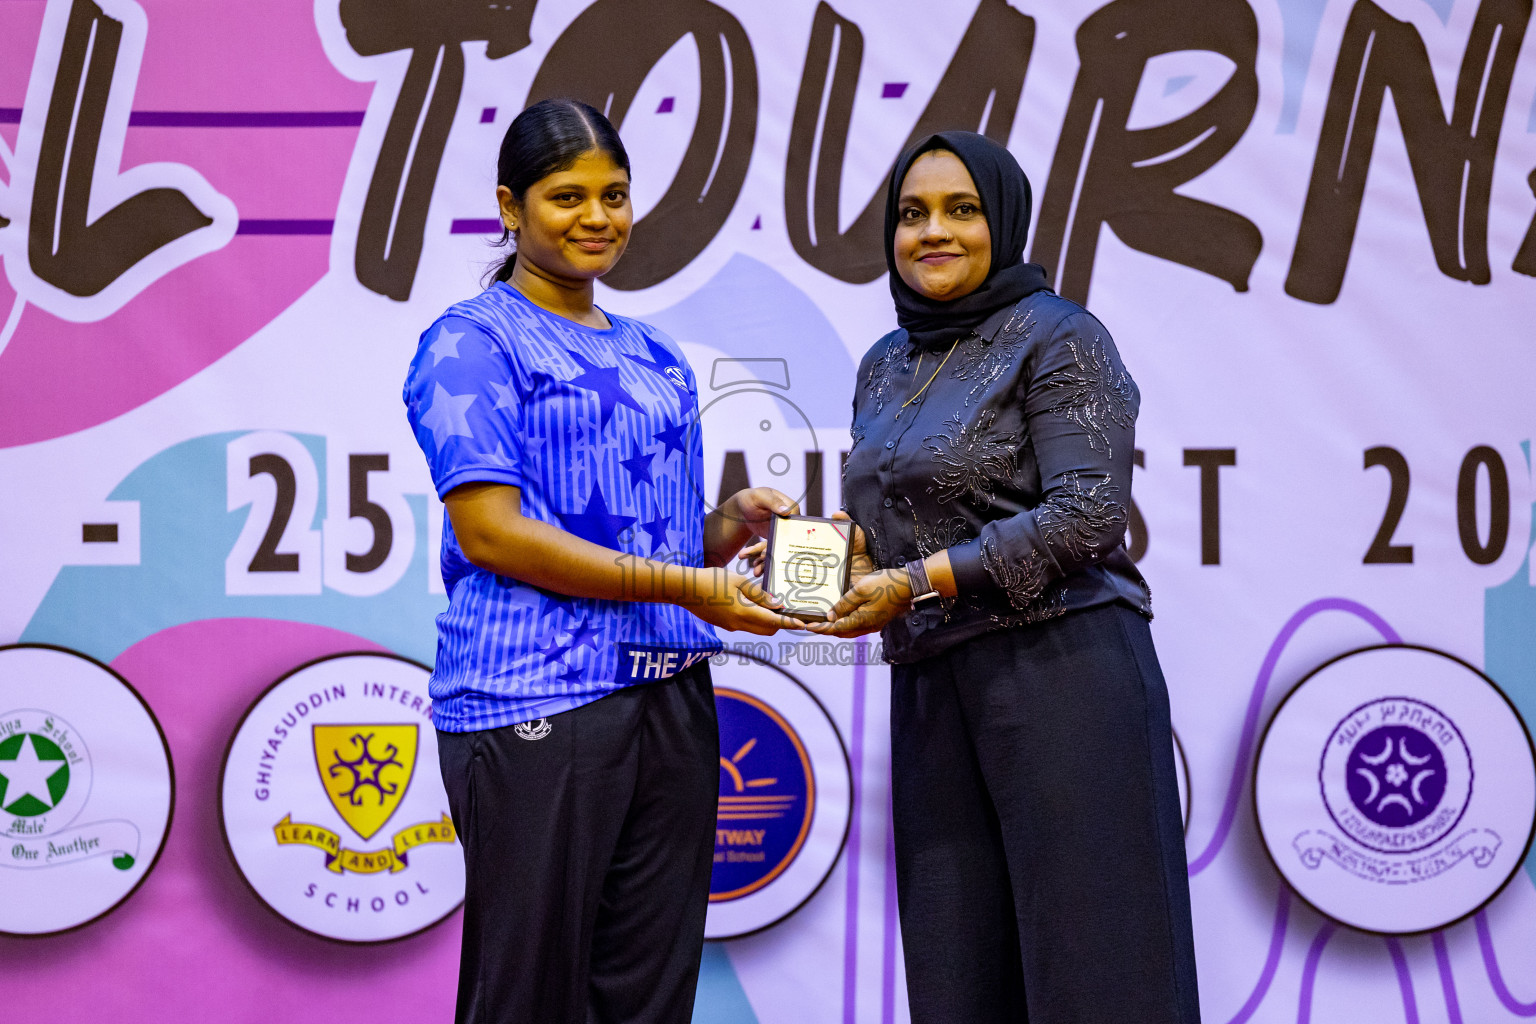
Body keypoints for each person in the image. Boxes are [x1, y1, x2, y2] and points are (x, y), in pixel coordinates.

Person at [402, 98, 800, 1024]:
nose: (597, 218)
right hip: (533, 699)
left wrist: (726, 526)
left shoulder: (653, 353)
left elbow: (651, 544)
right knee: (529, 995)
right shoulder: (473, 342)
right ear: (510, 207)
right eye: (566, 196)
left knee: (648, 995)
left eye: (614, 195)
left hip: (669, 698)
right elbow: (492, 532)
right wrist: (685, 583)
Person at [810, 132, 1201, 1022]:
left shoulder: (1060, 336)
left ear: (1006, 221)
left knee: (1099, 976)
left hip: (1063, 677)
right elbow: (898, 531)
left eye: (961, 210)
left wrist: (912, 583)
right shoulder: (886, 360)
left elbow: (1088, 514)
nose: (932, 233)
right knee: (958, 979)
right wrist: (836, 559)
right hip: (936, 689)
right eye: (913, 215)